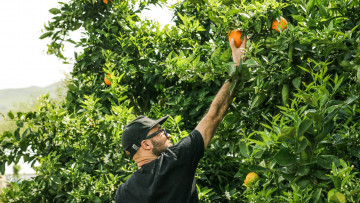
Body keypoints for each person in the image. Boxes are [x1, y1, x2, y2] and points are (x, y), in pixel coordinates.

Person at [115, 35, 248, 202]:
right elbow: (214, 115)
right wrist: (237, 68)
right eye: (160, 131)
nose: (168, 134)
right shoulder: (174, 161)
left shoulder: (123, 193)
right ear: (146, 144)